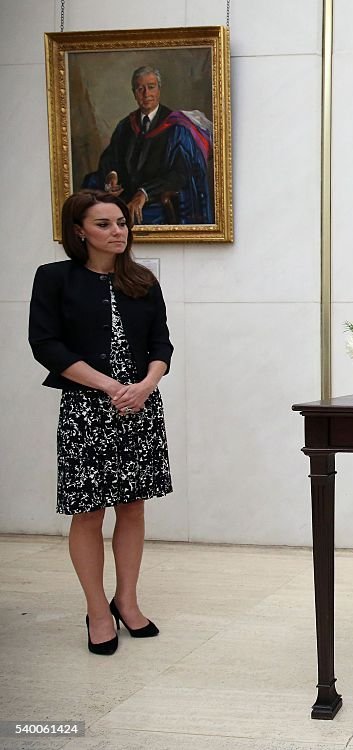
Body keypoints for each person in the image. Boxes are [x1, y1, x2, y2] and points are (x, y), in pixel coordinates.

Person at [29, 190, 173, 655]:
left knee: (132, 506)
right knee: (88, 511)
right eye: (105, 224)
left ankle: (126, 601)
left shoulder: (143, 281)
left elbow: (161, 345)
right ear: (79, 231)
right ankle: (96, 609)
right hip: (87, 410)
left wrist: (146, 385)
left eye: (121, 223)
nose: (118, 231)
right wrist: (109, 387)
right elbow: (46, 345)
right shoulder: (54, 279)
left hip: (140, 407)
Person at [81, 65, 213, 225]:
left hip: (154, 201)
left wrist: (144, 193)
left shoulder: (176, 127)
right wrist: (112, 176)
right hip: (125, 196)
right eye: (140, 89)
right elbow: (110, 157)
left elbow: (181, 173)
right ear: (134, 93)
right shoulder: (125, 125)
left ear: (159, 89)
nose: (146, 94)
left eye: (151, 87)